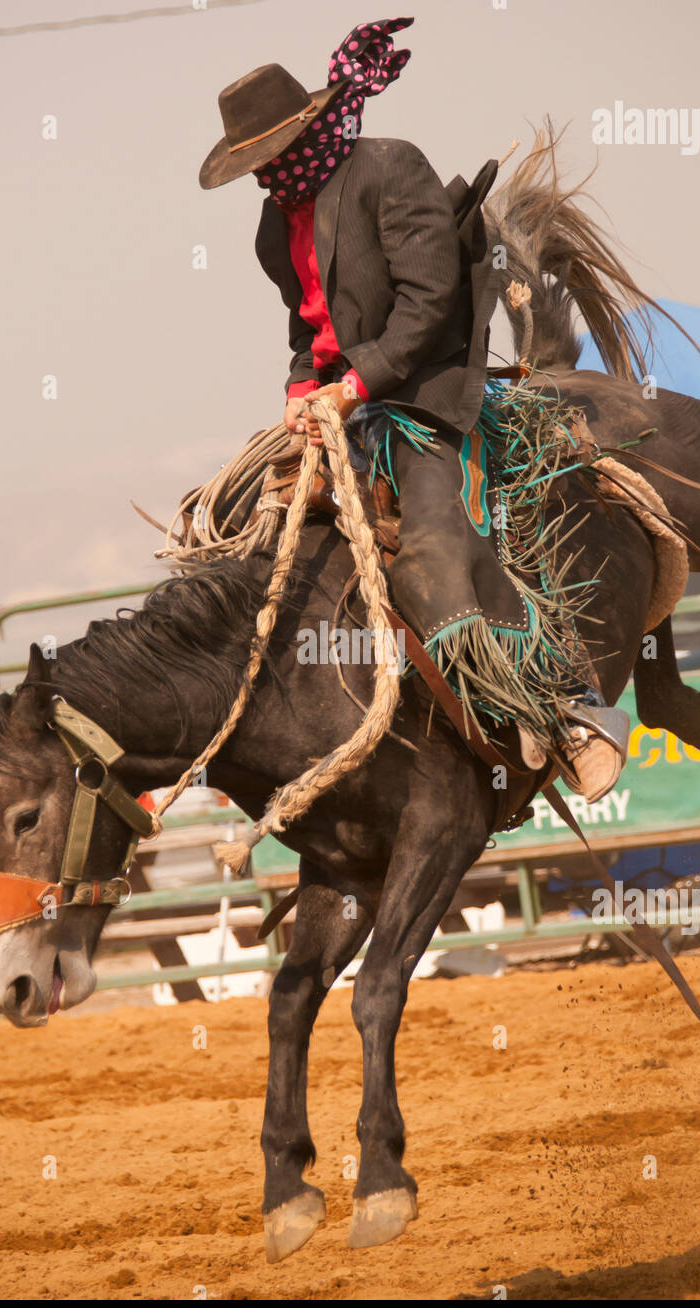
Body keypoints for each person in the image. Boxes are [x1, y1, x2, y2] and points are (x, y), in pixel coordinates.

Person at [197, 17, 628, 802]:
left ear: (302, 136)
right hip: (343, 407)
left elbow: (429, 303)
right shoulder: (273, 227)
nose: (261, 179)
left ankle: (574, 710)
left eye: (266, 161)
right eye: (251, 167)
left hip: (426, 397)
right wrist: (303, 389)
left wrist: (353, 385)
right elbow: (309, 325)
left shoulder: (389, 169)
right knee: (241, 534)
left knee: (434, 559)